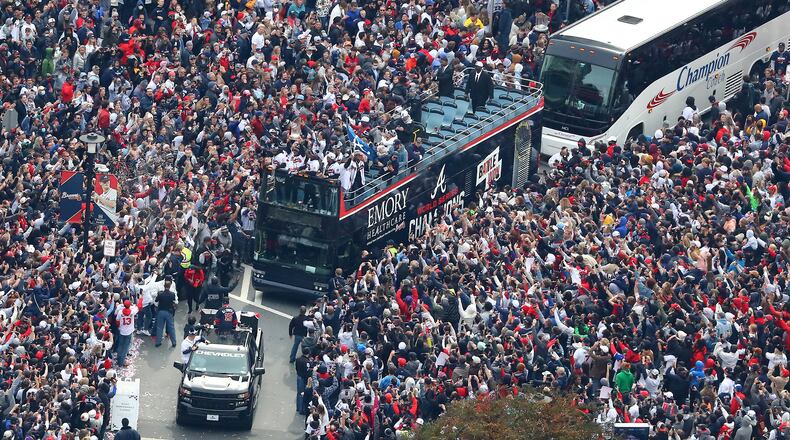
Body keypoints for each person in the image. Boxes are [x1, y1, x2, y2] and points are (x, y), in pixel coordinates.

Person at [115, 297, 143, 367]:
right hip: (129, 332)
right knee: (125, 347)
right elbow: (139, 307)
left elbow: (117, 320)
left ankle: (119, 359)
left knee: (120, 345)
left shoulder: (120, 312)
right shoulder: (132, 311)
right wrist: (140, 298)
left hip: (122, 331)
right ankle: (121, 362)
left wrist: (119, 327)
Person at [155, 275, 178, 348]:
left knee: (159, 327)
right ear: (170, 285)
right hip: (169, 312)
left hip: (161, 311)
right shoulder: (172, 294)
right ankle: (174, 342)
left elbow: (156, 301)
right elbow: (175, 302)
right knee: (171, 327)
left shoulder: (160, 293)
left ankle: (158, 342)